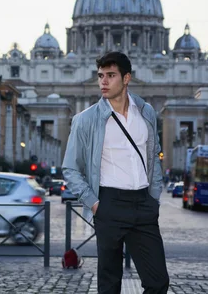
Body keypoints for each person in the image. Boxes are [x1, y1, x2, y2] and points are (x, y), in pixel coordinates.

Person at [62, 51, 169, 294]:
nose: (104, 82)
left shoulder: (147, 112)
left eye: (111, 75)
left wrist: (153, 198)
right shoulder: (85, 120)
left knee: (158, 282)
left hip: (143, 204)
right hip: (108, 204)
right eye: (101, 76)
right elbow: (70, 168)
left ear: (127, 78)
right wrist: (94, 203)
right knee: (109, 285)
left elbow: (154, 156)